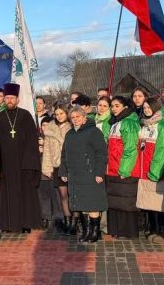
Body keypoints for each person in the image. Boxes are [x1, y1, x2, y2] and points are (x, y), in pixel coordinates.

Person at [0, 83, 43, 233]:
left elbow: (32, 142)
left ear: (17, 99)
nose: (9, 100)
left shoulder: (26, 116)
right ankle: (7, 225)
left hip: (23, 163)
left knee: (24, 195)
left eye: (12, 98)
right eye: (7, 98)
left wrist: (29, 163)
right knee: (6, 196)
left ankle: (25, 223)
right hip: (5, 165)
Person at [59, 105, 108, 244]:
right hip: (75, 174)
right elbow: (64, 155)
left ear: (84, 117)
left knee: (92, 205)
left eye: (78, 117)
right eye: (72, 117)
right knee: (82, 206)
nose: (75, 120)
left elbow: (102, 154)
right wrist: (63, 171)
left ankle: (95, 233)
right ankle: (87, 232)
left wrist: (99, 173)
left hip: (91, 174)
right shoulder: (70, 134)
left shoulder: (94, 132)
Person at [104, 96, 141, 238]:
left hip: (124, 169)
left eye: (117, 106)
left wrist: (124, 169)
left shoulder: (129, 123)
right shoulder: (115, 122)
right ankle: (117, 230)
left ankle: (127, 231)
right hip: (113, 168)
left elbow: (131, 148)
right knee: (115, 201)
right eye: (112, 106)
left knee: (126, 201)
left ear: (125, 107)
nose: (113, 109)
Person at [138, 97, 164, 242]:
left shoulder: (162, 126)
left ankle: (161, 230)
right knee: (148, 201)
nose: (146, 110)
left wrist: (156, 170)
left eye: (149, 107)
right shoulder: (144, 124)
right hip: (143, 168)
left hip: (155, 168)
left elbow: (162, 150)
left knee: (159, 201)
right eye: (144, 108)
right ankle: (152, 228)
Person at [43, 103, 72, 234]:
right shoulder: (51, 128)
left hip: (72, 166)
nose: (59, 116)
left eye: (62, 113)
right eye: (57, 114)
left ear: (67, 113)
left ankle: (76, 222)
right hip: (58, 166)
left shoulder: (73, 126)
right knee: (63, 195)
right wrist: (47, 167)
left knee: (74, 194)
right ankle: (67, 221)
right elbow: (47, 150)